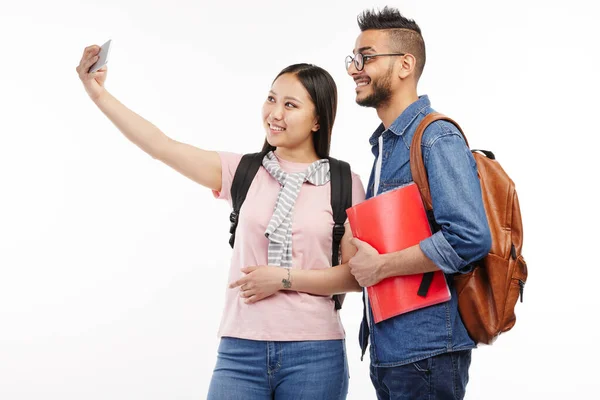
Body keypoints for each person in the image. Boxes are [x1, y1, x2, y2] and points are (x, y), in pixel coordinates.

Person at [76, 46, 365, 400]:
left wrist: (285, 279)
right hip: (240, 351)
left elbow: (355, 276)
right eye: (271, 99)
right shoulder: (242, 170)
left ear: (317, 119)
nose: (274, 113)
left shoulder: (344, 182)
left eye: (290, 105)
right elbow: (161, 146)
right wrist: (98, 95)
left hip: (314, 353)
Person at [344, 7, 492, 400]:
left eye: (367, 57)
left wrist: (382, 266)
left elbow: (470, 238)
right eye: (354, 59)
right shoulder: (386, 145)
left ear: (405, 64)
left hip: (427, 352)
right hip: (393, 348)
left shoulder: (433, 137)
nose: (354, 68)